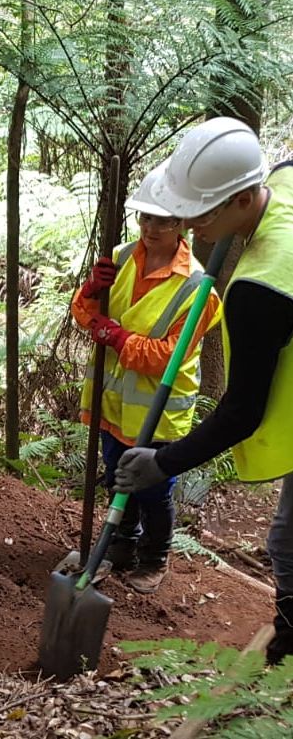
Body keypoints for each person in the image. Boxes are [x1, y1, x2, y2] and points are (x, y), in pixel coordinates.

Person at [114, 116, 293, 664]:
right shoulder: (282, 179)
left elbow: (241, 410)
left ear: (242, 198)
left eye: (201, 212)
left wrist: (164, 462)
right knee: (285, 542)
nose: (188, 222)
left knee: (286, 547)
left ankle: (284, 665)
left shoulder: (260, 286)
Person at [71, 161, 221, 593]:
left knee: (153, 486)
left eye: (163, 219)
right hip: (114, 402)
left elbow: (166, 357)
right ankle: (123, 542)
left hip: (158, 413)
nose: (151, 227)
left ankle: (155, 557)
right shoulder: (119, 258)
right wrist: (89, 292)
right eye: (146, 216)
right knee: (118, 472)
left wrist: (115, 337)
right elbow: (85, 316)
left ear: (183, 224)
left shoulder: (197, 288)